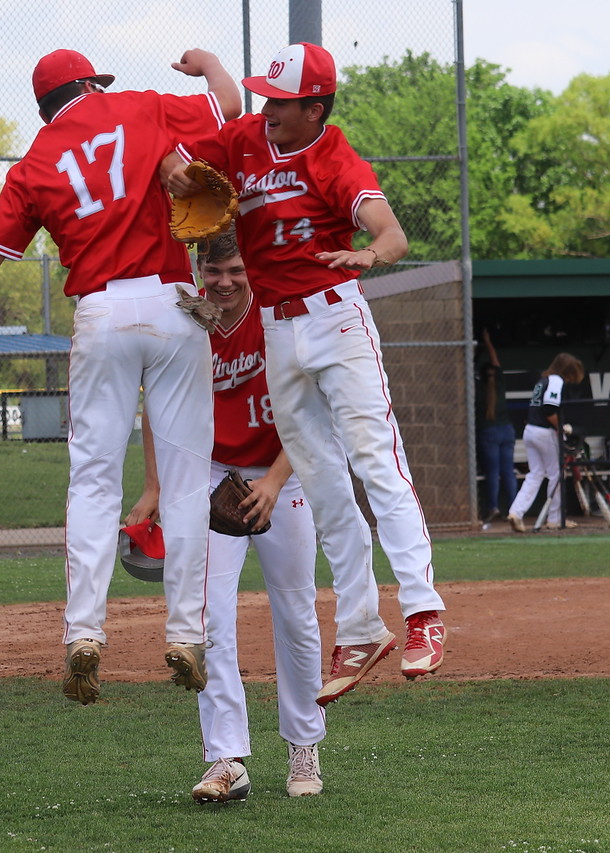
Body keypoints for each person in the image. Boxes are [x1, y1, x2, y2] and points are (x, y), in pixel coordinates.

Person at [0, 48, 241, 705]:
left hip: (99, 312)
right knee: (186, 478)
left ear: (44, 105)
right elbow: (230, 105)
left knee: (94, 478)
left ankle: (83, 633)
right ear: (90, 84)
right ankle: (186, 632)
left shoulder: (35, 162)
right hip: (169, 302)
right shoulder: (140, 107)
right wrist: (207, 63)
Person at [165, 43, 446, 705]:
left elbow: (393, 234)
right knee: (321, 482)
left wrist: (367, 252)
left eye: (282, 102)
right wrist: (181, 159)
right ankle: (357, 626)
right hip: (278, 331)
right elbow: (196, 141)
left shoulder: (333, 158)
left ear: (314, 108)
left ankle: (423, 612)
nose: (267, 111)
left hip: (335, 318)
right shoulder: (247, 138)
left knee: (376, 461)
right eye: (265, 97)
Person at [127, 230, 325, 802]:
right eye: (213, 271)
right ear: (199, 268)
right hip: (211, 476)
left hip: (282, 471)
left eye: (235, 268)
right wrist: (155, 487)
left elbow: (315, 409)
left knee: (297, 615)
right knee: (207, 617)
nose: (224, 281)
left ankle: (303, 744)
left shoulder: (278, 312)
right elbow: (155, 411)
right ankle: (225, 759)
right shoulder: (186, 318)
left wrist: (273, 481)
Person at [506, 353, 586, 532]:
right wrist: (563, 428)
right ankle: (555, 519)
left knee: (535, 474)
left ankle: (516, 513)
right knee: (556, 474)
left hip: (530, 431)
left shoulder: (543, 380)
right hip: (544, 432)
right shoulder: (556, 380)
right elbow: (550, 409)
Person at [476, 327, 517, 524]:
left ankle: (493, 507)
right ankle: (515, 510)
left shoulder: (477, 387)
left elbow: (488, 367)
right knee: (507, 471)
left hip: (489, 433)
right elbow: (496, 362)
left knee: (493, 472)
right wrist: (488, 341)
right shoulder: (499, 383)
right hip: (507, 430)